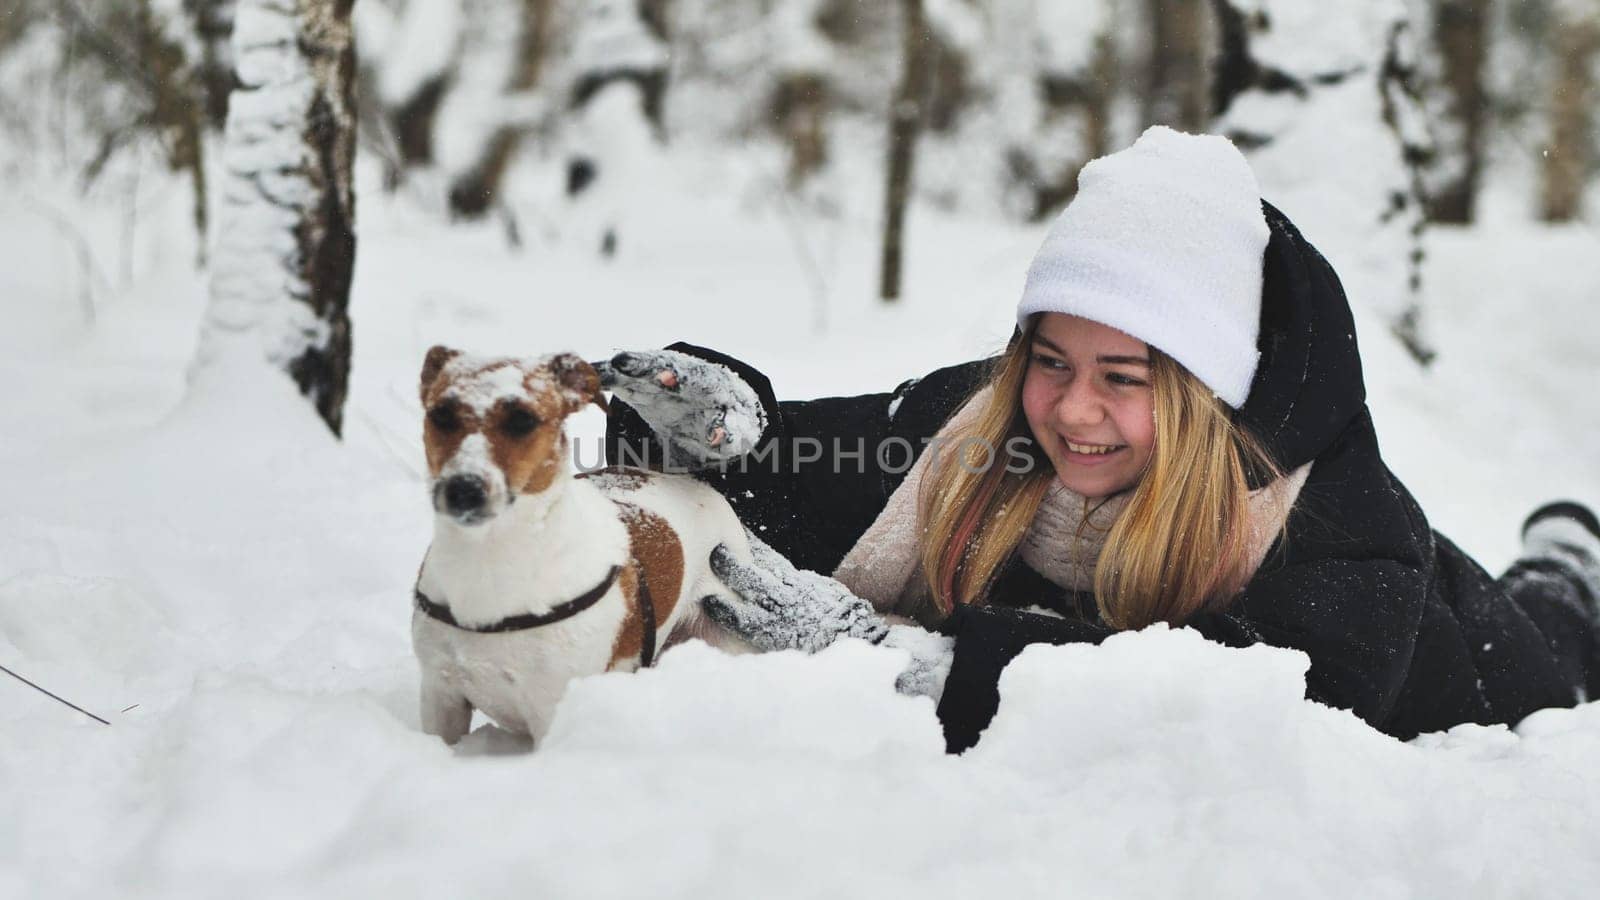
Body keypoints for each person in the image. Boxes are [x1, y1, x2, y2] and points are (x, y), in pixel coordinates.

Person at [597, 127, 1600, 753]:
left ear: (1208, 389)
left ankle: (1567, 570)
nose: (1074, 409)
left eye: (1125, 380)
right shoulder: (985, 427)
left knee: (1550, 625)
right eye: (1051, 361)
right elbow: (803, 473)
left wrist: (894, 663)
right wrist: (713, 433)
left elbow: (1222, 717)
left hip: (1477, 656)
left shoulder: (1340, 533)